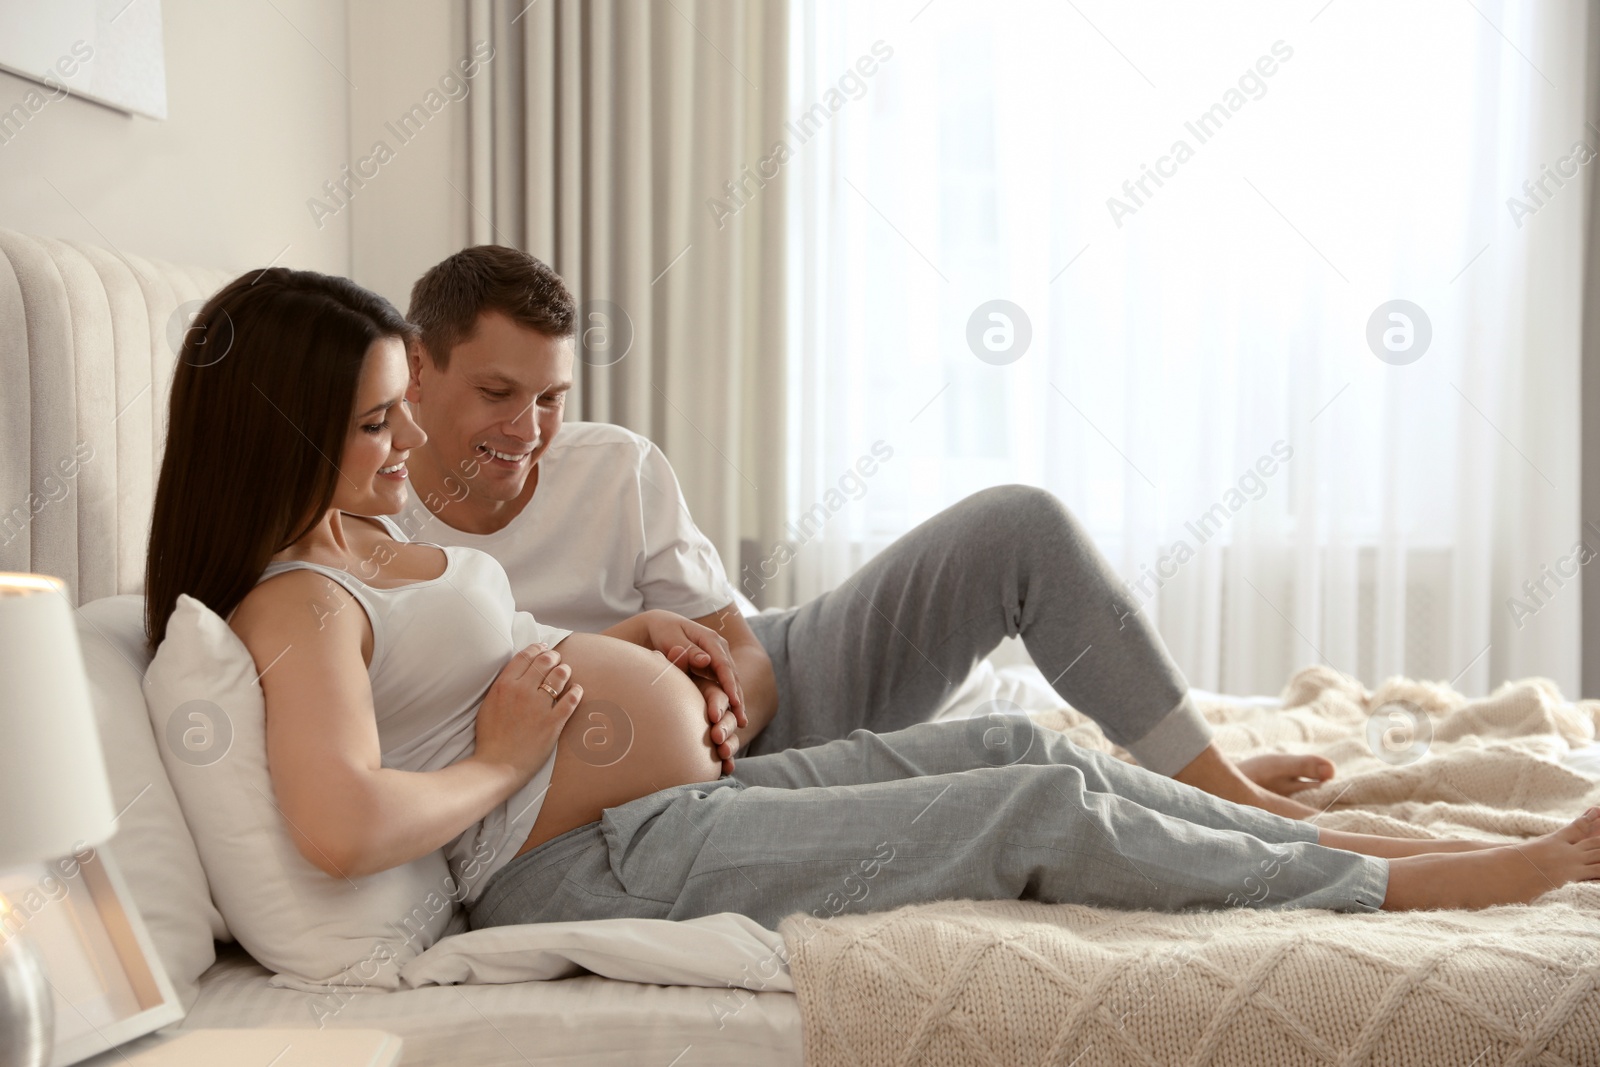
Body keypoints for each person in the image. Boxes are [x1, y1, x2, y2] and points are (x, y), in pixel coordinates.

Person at [143, 268, 1600, 932]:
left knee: (1025, 751)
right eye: (380, 420)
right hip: (574, 858)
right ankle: (1411, 883)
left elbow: (485, 660)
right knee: (1024, 815)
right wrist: (504, 755)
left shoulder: (379, 549)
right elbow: (338, 825)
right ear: (284, 426)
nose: (405, 447)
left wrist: (609, 644)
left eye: (400, 415)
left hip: (663, 791)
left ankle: (1295, 829)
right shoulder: (293, 605)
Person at [389, 245, 1328, 820]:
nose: (528, 430)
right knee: (996, 770)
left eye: (551, 398)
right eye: (497, 394)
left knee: (1018, 525)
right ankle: (1141, 780)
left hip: (761, 707)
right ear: (416, 370)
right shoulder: (367, 534)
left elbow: (743, 653)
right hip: (637, 783)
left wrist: (717, 726)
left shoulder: (617, 466)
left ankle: (1210, 779)